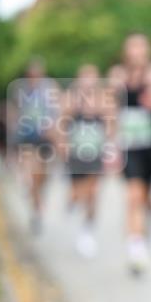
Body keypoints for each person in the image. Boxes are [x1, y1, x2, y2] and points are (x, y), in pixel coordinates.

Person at [110, 33, 151, 276]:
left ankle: (144, 228)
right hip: (128, 145)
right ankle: (136, 249)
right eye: (132, 47)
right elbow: (111, 113)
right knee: (133, 196)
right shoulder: (117, 76)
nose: (137, 52)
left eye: (141, 47)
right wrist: (110, 147)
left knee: (146, 198)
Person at [61, 64, 116, 258]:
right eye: (85, 78)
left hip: (95, 153)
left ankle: (87, 231)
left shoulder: (104, 102)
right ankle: (73, 203)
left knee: (93, 192)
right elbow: (61, 125)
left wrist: (110, 147)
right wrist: (63, 146)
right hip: (75, 153)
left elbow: (111, 125)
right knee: (77, 193)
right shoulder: (70, 100)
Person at [9, 58, 60, 235]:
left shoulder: (50, 87)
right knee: (31, 172)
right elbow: (15, 111)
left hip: (44, 137)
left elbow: (57, 111)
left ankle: (36, 204)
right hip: (27, 136)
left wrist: (54, 131)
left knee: (41, 177)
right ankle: (34, 203)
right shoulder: (20, 89)